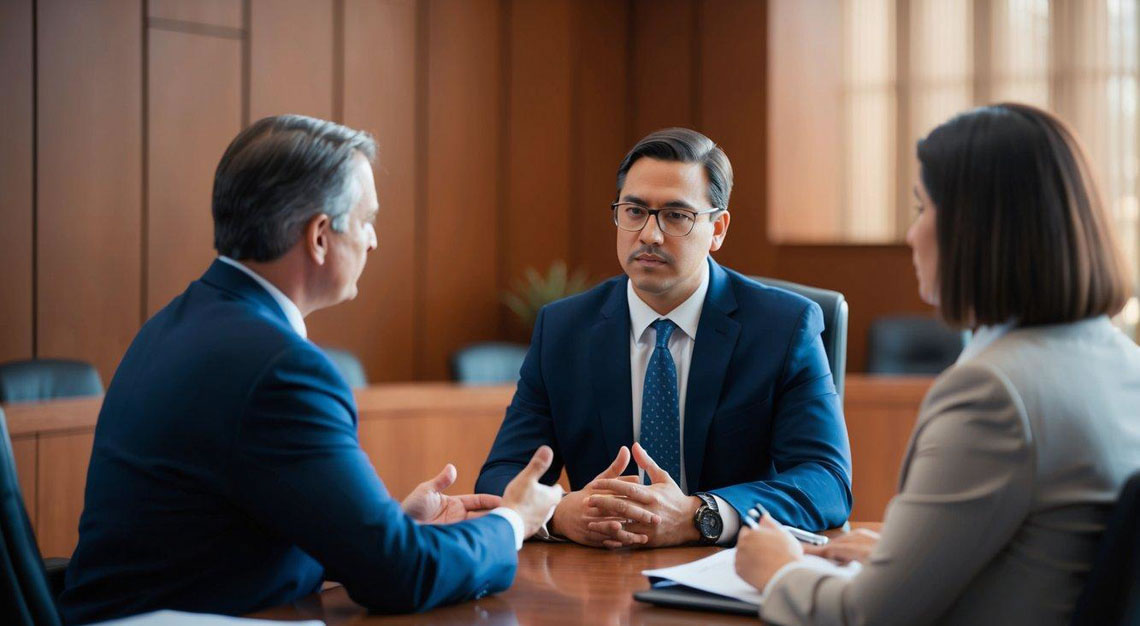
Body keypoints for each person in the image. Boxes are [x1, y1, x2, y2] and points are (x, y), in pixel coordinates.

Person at [60, 115, 562, 624]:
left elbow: (223, 529)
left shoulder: (171, 325)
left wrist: (394, 527)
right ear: (320, 235)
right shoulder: (281, 370)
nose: (373, 241)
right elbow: (399, 575)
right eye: (366, 220)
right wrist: (511, 522)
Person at [735, 103, 1140, 625]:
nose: (911, 235)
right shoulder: (1123, 360)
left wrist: (778, 570)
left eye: (921, 208)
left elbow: (864, 618)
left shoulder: (991, 394)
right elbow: (1047, 550)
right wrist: (903, 557)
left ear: (978, 230)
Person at [475, 128, 852, 549]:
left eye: (676, 216)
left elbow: (827, 481)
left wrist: (698, 515)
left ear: (718, 229)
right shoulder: (563, 330)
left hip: (732, 567)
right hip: (601, 569)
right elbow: (501, 474)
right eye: (635, 211)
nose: (650, 235)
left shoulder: (783, 327)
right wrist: (560, 513)